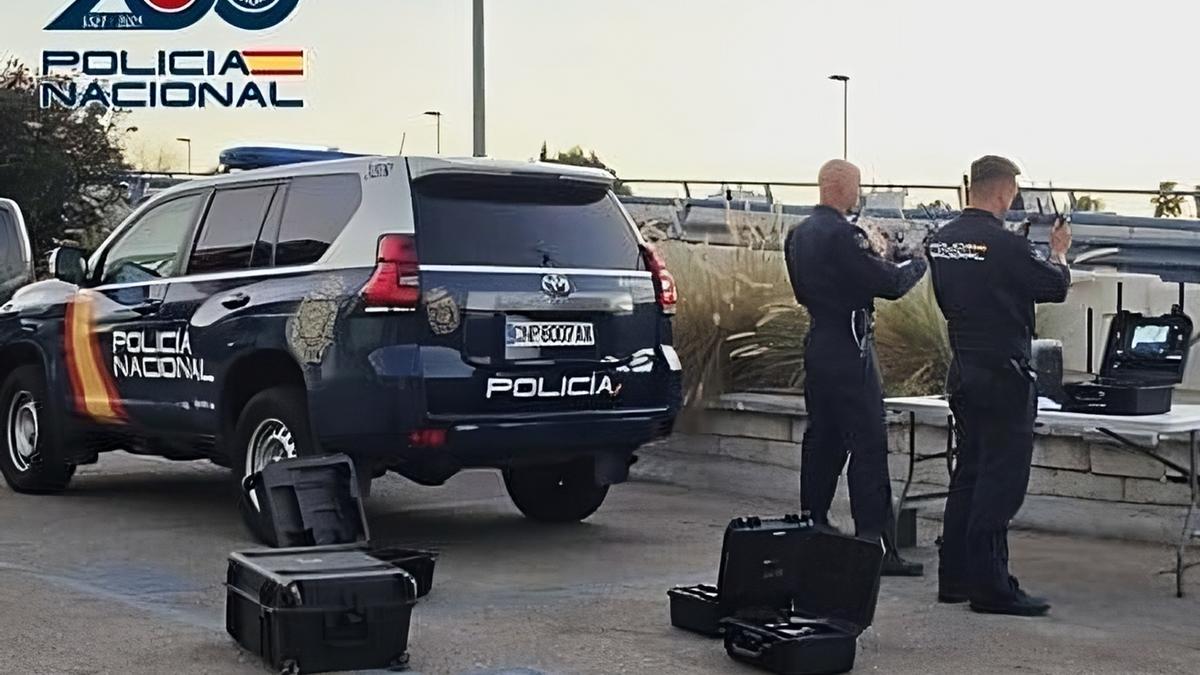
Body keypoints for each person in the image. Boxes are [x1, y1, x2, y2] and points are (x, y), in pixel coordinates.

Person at [926, 155, 1071, 616]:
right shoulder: (1005, 244)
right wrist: (1059, 251)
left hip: (964, 367)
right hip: (1004, 373)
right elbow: (1055, 286)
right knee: (1001, 480)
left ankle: (955, 577)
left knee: (967, 473)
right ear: (1005, 189)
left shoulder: (941, 240)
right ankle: (992, 587)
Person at [785, 159, 928, 576]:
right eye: (857, 186)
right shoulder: (844, 234)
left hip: (818, 342)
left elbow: (802, 290)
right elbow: (889, 284)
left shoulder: (798, 234)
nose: (858, 194)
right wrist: (916, 261)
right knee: (867, 445)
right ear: (841, 187)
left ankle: (812, 523)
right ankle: (876, 544)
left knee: (823, 440)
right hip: (850, 346)